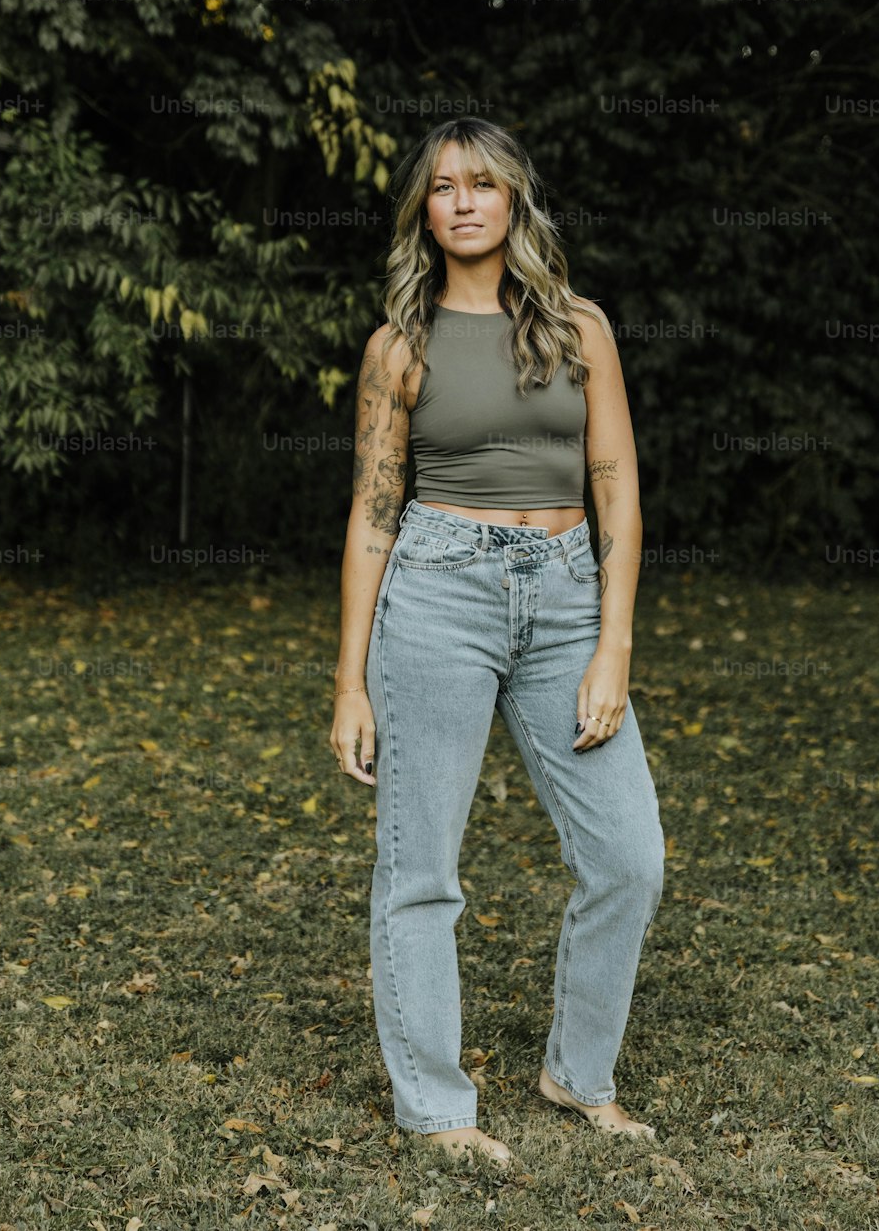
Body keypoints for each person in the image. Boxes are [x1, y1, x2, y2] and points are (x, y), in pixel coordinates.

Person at [330, 116, 665, 1166]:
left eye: (482, 183)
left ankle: (576, 1074)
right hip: (436, 597)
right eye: (442, 186)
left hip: (566, 599)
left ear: (513, 199)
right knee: (421, 870)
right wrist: (350, 681)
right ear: (422, 213)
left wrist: (612, 644)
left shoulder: (578, 327)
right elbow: (373, 515)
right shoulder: (401, 347)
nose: (463, 201)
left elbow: (615, 482)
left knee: (629, 858)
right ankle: (436, 1106)